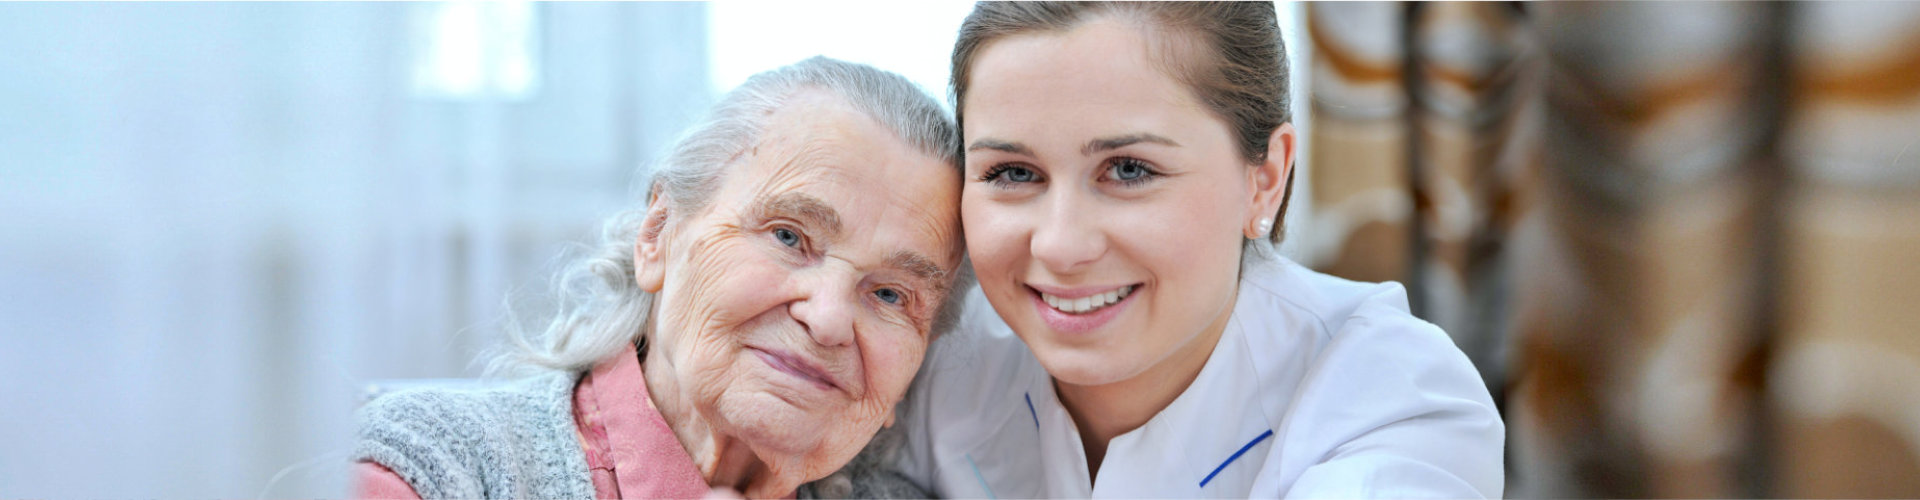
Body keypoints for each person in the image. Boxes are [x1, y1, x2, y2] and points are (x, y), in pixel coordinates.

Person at [886, 2, 1505, 497]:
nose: (1061, 245)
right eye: (1013, 173)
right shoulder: (924, 356)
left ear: (1265, 178)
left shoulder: (1395, 403)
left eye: (1128, 170)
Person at [352, 56, 970, 499]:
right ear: (658, 235)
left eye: (890, 294)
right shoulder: (438, 469)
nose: (830, 318)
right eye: (788, 236)